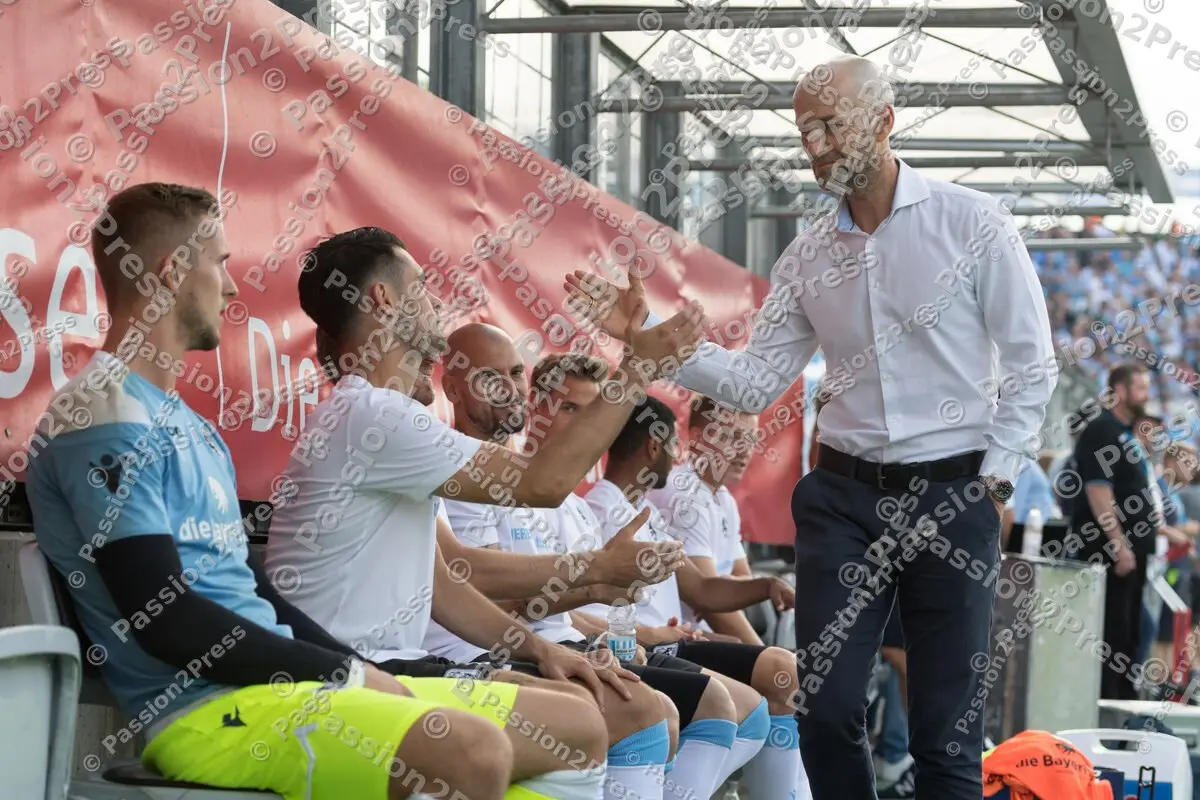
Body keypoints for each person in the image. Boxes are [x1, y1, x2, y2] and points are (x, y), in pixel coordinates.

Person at [566, 55, 1056, 800]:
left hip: (954, 495)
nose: (817, 144)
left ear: (885, 122)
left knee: (946, 731)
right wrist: (651, 337)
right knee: (822, 706)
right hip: (842, 501)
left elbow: (1032, 365)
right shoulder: (807, 256)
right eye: (805, 130)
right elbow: (756, 379)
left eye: (832, 124)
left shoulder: (975, 224)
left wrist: (993, 480)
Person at [24, 183, 520, 800]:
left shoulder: (191, 426)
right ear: (174, 271)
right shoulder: (102, 413)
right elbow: (165, 619)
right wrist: (346, 672)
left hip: (278, 692)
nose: (232, 288)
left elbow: (251, 588)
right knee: (472, 750)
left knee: (572, 726)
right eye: (221, 264)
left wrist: (355, 670)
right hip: (205, 717)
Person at [265, 227, 705, 799]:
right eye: (420, 288)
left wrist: (540, 647)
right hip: (353, 673)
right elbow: (543, 483)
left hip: (386, 663)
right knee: (590, 721)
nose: (434, 303)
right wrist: (636, 368)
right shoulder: (372, 415)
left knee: (597, 702)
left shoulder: (376, 414)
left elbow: (440, 582)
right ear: (383, 301)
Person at [427, 322, 750, 800]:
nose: (510, 386)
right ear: (450, 387)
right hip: (474, 654)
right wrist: (601, 588)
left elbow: (502, 588)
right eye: (489, 376)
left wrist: (603, 617)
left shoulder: (564, 499)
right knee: (653, 713)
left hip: (548, 644)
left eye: (516, 371)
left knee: (731, 702)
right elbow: (491, 590)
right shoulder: (463, 472)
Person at [583, 393, 810, 800]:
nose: (677, 455)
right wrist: (648, 635)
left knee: (772, 685)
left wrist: (765, 585)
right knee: (741, 699)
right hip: (633, 648)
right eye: (672, 445)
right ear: (654, 447)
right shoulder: (602, 510)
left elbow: (702, 587)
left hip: (669, 642)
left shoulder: (639, 510)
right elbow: (575, 608)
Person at [1070, 363, 1159, 700]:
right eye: (1140, 388)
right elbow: (1098, 491)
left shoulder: (1125, 433)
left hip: (1134, 551)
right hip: (1109, 553)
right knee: (1113, 636)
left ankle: (1123, 704)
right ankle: (1106, 708)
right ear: (1120, 391)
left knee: (1131, 633)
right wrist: (1119, 545)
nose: (1146, 396)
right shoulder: (1103, 431)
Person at [652, 394, 768, 646]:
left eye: (750, 439)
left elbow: (742, 581)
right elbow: (712, 603)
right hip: (671, 637)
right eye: (731, 437)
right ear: (696, 438)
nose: (743, 450)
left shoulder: (723, 498)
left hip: (696, 634)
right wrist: (764, 655)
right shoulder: (685, 497)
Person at [1000, 455, 1058, 549]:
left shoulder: (1025, 464)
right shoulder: (1024, 464)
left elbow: (1012, 509)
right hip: (1029, 533)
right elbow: (1012, 508)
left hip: (1035, 534)